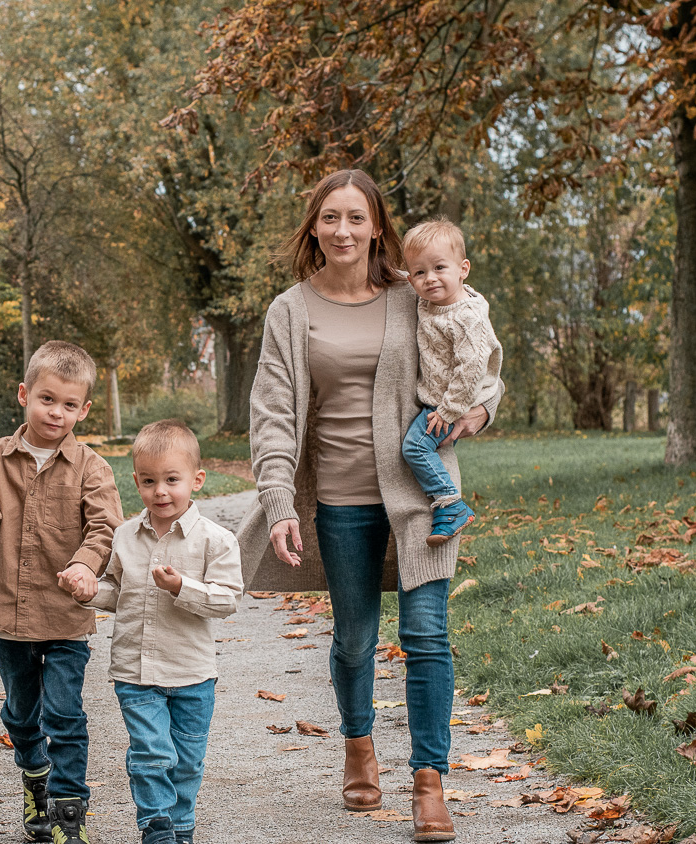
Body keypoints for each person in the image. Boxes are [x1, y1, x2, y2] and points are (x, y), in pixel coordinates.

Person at [237, 170, 502, 842]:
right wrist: (278, 500)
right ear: (314, 226)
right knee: (354, 639)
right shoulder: (289, 310)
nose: (344, 230)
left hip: (421, 493)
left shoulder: (414, 294)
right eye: (331, 217)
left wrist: (478, 412)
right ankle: (359, 747)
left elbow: (477, 352)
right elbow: (272, 412)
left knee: (426, 635)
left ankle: (429, 782)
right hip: (340, 499)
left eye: (357, 217)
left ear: (377, 226)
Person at [0, 341, 123, 844]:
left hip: (66, 616)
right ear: (24, 395)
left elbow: (105, 528)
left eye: (69, 404)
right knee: (21, 717)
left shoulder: (92, 467)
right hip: (11, 614)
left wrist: (86, 565)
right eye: (47, 399)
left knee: (64, 715)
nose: (56, 413)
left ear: (84, 410)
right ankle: (36, 781)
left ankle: (69, 815)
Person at [87, 420, 243, 844]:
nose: (160, 491)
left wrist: (181, 587)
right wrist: (90, 592)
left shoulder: (216, 540)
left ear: (197, 479)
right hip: (136, 673)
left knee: (187, 762)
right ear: (136, 481)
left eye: (172, 480)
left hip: (192, 674)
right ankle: (156, 827)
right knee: (151, 754)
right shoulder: (124, 536)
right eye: (149, 481)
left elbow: (228, 599)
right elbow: (117, 592)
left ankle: (181, 827)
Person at [399, 219, 503, 546]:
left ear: (463, 269)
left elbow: (471, 369)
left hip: (453, 403)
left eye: (439, 268)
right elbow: (406, 276)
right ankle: (448, 503)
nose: (430, 278)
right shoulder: (429, 300)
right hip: (442, 398)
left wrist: (449, 410)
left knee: (416, 446)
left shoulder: (466, 317)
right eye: (419, 272)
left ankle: (451, 504)